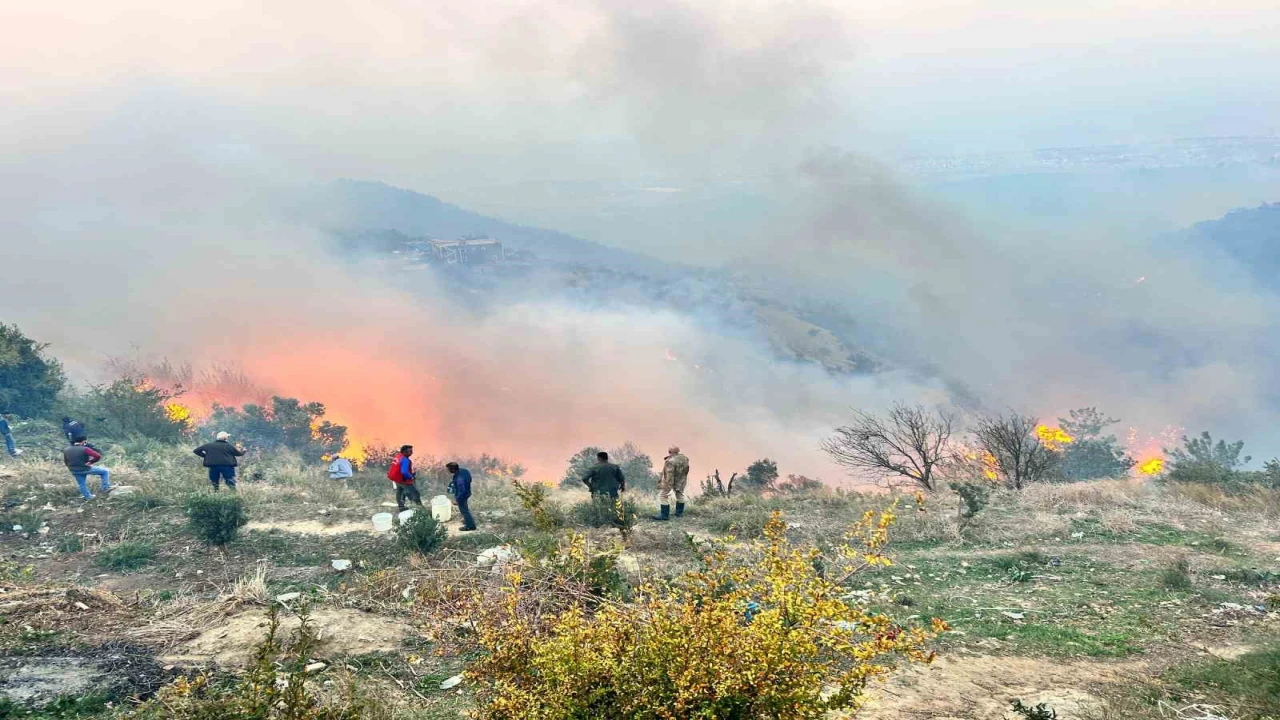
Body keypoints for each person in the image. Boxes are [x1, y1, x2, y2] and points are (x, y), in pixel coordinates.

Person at [64, 435, 111, 500]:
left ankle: (89, 497)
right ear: (83, 441)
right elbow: (97, 456)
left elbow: (66, 462)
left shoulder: (66, 449)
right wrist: (90, 462)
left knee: (81, 484)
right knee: (105, 472)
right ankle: (105, 488)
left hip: (74, 470)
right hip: (85, 468)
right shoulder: (85, 449)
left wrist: (71, 468)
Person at [653, 445, 690, 521]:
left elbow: (669, 475)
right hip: (681, 480)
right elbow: (686, 470)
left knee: (663, 496)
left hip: (671, 481)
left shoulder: (670, 461)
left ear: (671, 452)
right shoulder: (685, 458)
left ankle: (664, 515)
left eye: (669, 452)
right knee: (680, 495)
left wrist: (667, 485)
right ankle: (679, 513)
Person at [387, 444, 423, 512]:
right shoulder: (406, 460)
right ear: (404, 452)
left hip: (397, 479)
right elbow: (404, 472)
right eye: (409, 451)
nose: (411, 453)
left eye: (411, 451)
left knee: (400, 493)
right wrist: (411, 477)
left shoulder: (398, 456)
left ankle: (401, 507)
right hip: (404, 480)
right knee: (414, 494)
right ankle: (419, 509)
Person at [446, 461, 477, 531]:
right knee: (465, 509)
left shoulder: (460, 479)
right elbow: (470, 479)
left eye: (449, 469)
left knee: (464, 510)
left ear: (453, 469)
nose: (448, 471)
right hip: (467, 492)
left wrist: (457, 500)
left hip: (462, 495)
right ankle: (468, 521)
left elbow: (463, 491)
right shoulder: (463, 471)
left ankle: (470, 526)